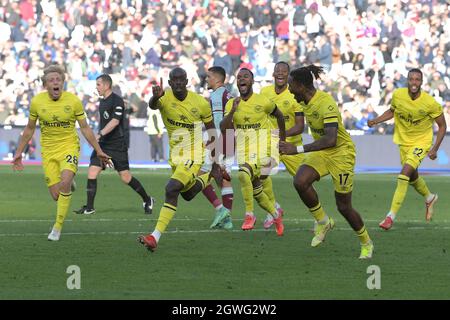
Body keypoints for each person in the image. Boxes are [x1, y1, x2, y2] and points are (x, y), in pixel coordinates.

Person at [279, 65, 374, 259]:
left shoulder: (326, 103)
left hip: (341, 153)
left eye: (291, 86)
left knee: (344, 207)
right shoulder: (304, 101)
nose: (289, 90)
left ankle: (366, 242)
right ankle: (323, 221)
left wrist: (296, 149)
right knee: (300, 181)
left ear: (301, 86)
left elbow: (331, 139)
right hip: (322, 152)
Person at [11, 64, 111, 241]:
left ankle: (57, 228)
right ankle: (69, 183)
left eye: (58, 79)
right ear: (45, 85)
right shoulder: (37, 102)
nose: (55, 82)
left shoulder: (73, 101)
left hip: (69, 146)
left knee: (64, 182)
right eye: (51, 80)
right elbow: (29, 129)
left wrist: (99, 150)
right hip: (48, 151)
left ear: (63, 82)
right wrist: (19, 152)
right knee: (56, 195)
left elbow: (85, 128)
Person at [138, 67, 223, 252]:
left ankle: (154, 237)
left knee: (171, 188)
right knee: (187, 194)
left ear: (186, 82)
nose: (177, 82)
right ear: (169, 83)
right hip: (175, 157)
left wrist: (215, 162)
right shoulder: (164, 98)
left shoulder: (200, 103)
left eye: (181, 79)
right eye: (173, 80)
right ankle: (206, 177)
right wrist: (155, 96)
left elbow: (212, 133)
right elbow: (152, 106)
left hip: (194, 154)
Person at [368, 68, 446, 230]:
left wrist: (434, 148)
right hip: (404, 142)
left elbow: (442, 125)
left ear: (422, 82)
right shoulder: (398, 95)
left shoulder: (430, 103)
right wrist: (376, 121)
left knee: (404, 174)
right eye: (411, 79)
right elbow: (392, 111)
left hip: (421, 142)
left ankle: (390, 216)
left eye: (417, 79)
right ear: (407, 81)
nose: (414, 83)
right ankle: (429, 197)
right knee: (412, 176)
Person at [74, 74, 154, 215]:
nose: (97, 87)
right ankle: (90, 207)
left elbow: (115, 121)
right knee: (92, 172)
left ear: (106, 85)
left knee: (125, 177)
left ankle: (147, 199)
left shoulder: (117, 100)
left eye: (98, 84)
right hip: (103, 144)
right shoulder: (102, 101)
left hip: (117, 144)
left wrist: (99, 134)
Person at [221, 68, 285, 236]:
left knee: (243, 175)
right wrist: (233, 111)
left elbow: (279, 116)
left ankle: (249, 215)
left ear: (252, 81)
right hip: (245, 151)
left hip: (264, 148)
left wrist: (282, 139)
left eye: (246, 76)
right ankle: (276, 215)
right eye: (239, 77)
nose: (242, 79)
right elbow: (224, 128)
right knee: (256, 188)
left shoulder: (263, 101)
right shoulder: (231, 103)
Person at [260, 61, 305, 230]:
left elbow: (300, 126)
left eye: (283, 72)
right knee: (260, 176)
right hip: (271, 145)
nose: (280, 74)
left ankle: (319, 218)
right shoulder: (264, 93)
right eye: (277, 71)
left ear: (288, 75)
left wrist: (280, 135)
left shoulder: (294, 95)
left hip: (291, 147)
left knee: (305, 183)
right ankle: (274, 209)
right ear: (273, 74)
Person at [199, 66, 234, 230]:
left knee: (199, 175)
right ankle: (226, 219)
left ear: (217, 79)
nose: (206, 79)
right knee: (223, 177)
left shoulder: (218, 96)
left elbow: (220, 122)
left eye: (209, 77)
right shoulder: (227, 94)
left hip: (219, 139)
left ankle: (221, 210)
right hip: (229, 139)